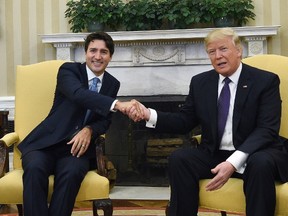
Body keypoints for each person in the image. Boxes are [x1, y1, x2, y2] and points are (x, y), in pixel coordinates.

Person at [127, 28, 288, 216]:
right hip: (215, 153)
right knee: (180, 159)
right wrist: (148, 114)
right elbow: (184, 121)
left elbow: (266, 129)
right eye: (212, 52)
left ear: (238, 50)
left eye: (223, 49)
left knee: (260, 163)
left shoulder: (265, 81)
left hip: (256, 152)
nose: (218, 56)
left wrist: (233, 162)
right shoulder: (201, 82)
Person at [18, 32, 138, 216]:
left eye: (104, 52)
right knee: (34, 169)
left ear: (110, 57)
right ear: (85, 53)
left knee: (72, 174)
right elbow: (78, 94)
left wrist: (89, 129)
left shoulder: (113, 83)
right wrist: (117, 104)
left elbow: (104, 120)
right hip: (46, 144)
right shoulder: (69, 71)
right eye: (93, 50)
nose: (98, 56)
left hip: (77, 150)